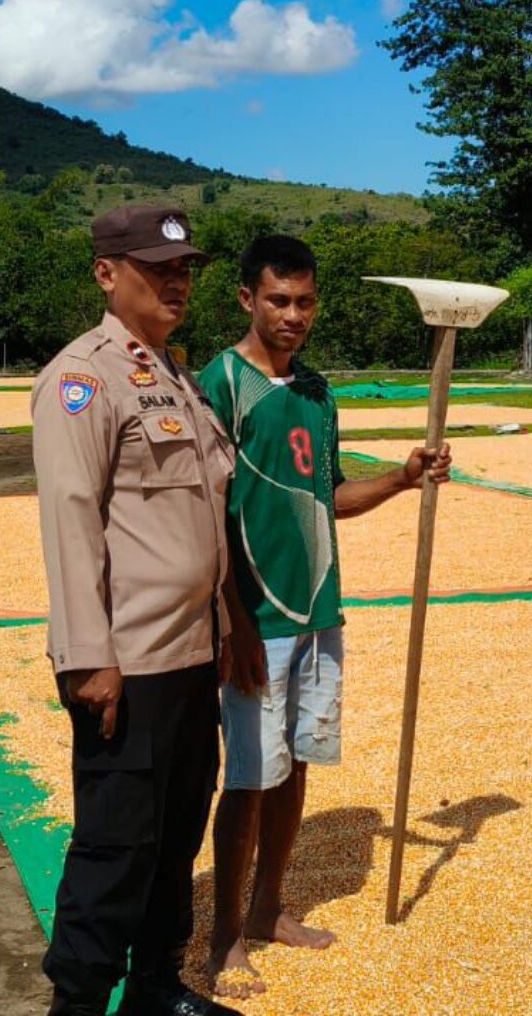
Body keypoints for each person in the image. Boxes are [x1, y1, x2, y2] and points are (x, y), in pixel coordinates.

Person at [198, 234, 452, 998]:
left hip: (318, 612)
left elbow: (328, 496)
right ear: (247, 298)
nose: (293, 315)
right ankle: (221, 939)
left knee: (296, 765)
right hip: (254, 620)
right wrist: (230, 620)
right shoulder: (222, 383)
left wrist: (403, 480)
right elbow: (203, 513)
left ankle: (271, 909)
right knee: (247, 777)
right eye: (278, 300)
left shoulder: (317, 390)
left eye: (305, 301)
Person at [32, 203, 241, 1016]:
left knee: (177, 834)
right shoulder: (83, 378)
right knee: (116, 848)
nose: (177, 283)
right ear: (107, 273)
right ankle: (77, 1004)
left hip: (191, 656)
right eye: (158, 269)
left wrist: (225, 631)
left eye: (184, 270)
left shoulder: (173, 375)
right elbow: (70, 520)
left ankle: (155, 989)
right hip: (128, 663)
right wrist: (90, 657)